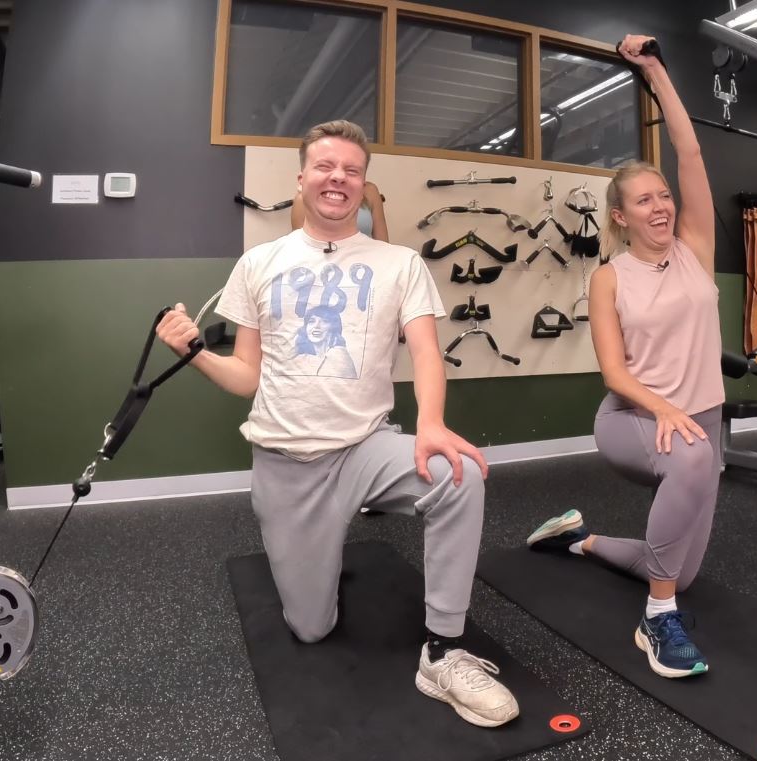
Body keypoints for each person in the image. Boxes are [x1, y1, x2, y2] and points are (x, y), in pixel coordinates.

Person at [157, 120, 519, 728]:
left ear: (363, 184)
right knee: (310, 629)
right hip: (285, 463)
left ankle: (442, 652)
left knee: (460, 477)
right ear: (301, 179)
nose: (338, 178)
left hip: (365, 448)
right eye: (325, 167)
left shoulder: (399, 263)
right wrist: (195, 353)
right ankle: (316, 564)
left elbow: (427, 352)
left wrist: (430, 422)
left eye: (351, 170)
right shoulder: (259, 262)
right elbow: (247, 376)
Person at [524, 35, 723, 679]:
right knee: (689, 459)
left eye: (663, 195)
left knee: (682, 570)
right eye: (645, 200)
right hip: (633, 418)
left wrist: (657, 73)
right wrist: (664, 406)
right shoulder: (609, 277)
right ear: (621, 216)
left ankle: (574, 538)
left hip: (704, 417)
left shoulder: (695, 246)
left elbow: (689, 152)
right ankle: (656, 621)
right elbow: (613, 372)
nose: (661, 205)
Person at [291, 180, 388, 242]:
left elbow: (383, 243)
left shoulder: (370, 191)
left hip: (371, 265)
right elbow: (301, 250)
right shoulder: (303, 199)